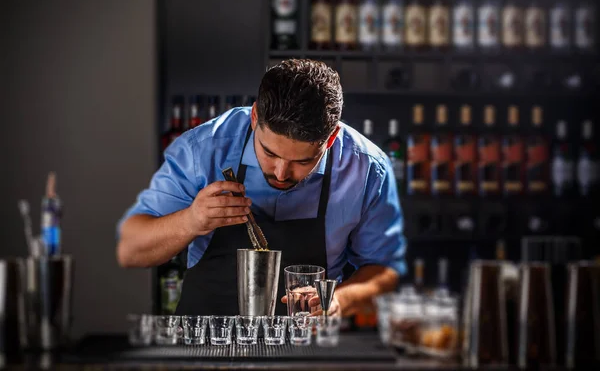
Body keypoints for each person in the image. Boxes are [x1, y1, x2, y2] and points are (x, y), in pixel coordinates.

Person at [117, 59, 406, 316]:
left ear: (330, 140)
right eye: (269, 153)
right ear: (255, 118)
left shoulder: (366, 168)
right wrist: (191, 220)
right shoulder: (203, 150)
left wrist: (337, 301)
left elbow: (385, 271)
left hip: (307, 347)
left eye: (303, 161)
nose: (281, 173)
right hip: (203, 344)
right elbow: (132, 249)